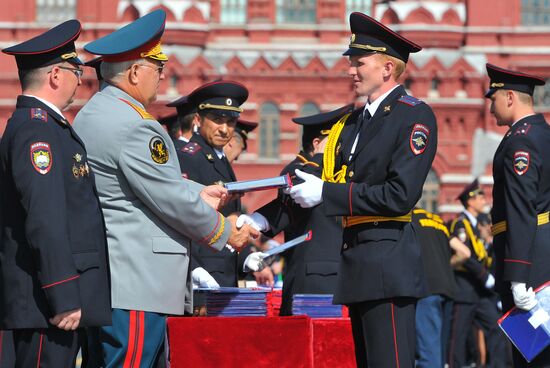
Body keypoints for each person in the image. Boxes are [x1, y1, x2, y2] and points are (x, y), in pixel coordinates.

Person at [73, 10, 258, 366]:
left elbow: (147, 188)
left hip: (114, 279)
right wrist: (223, 231)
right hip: (139, 281)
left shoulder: (97, 112)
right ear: (134, 72)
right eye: (157, 68)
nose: (162, 76)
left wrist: (198, 195)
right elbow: (168, 198)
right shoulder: (136, 125)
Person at [287, 12, 437, 367]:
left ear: (387, 68)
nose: (351, 70)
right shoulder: (354, 122)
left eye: (359, 62)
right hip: (356, 263)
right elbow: (324, 176)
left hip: (388, 264)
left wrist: (328, 194)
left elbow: (400, 194)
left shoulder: (412, 116)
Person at [0, 20, 111, 367]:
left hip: (48, 303)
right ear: (55, 76)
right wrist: (63, 293)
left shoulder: (47, 126)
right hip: (46, 307)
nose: (81, 78)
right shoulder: (38, 130)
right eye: (75, 70)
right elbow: (45, 217)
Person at [239, 104, 353, 316]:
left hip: (341, 276)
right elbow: (298, 191)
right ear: (317, 144)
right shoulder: (297, 170)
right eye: (336, 144)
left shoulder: (339, 171)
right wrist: (322, 157)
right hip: (314, 282)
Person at [179, 81, 273, 288]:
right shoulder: (189, 157)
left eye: (230, 122)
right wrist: (191, 267)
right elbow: (180, 216)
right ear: (198, 120)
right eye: (217, 120)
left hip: (222, 269)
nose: (224, 129)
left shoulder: (219, 159)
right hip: (200, 272)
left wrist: (245, 256)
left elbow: (229, 218)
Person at [486, 63, 550, 367]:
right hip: (540, 258)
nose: (490, 108)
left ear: (509, 97)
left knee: (533, 355)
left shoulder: (520, 141)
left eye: (493, 98)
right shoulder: (542, 133)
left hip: (530, 270)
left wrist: (518, 277)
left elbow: (521, 210)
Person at [447, 179, 508, 368]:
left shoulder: (475, 226)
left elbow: (481, 255)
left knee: (496, 327)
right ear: (470, 201)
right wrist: (485, 276)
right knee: (458, 336)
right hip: (464, 288)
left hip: (480, 293)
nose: (483, 199)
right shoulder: (461, 225)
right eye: (480, 196)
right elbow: (465, 256)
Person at [411, 208, 470, 368]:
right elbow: (464, 252)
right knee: (441, 351)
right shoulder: (437, 220)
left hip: (426, 287)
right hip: (447, 287)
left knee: (428, 353)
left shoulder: (409, 219)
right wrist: (445, 265)